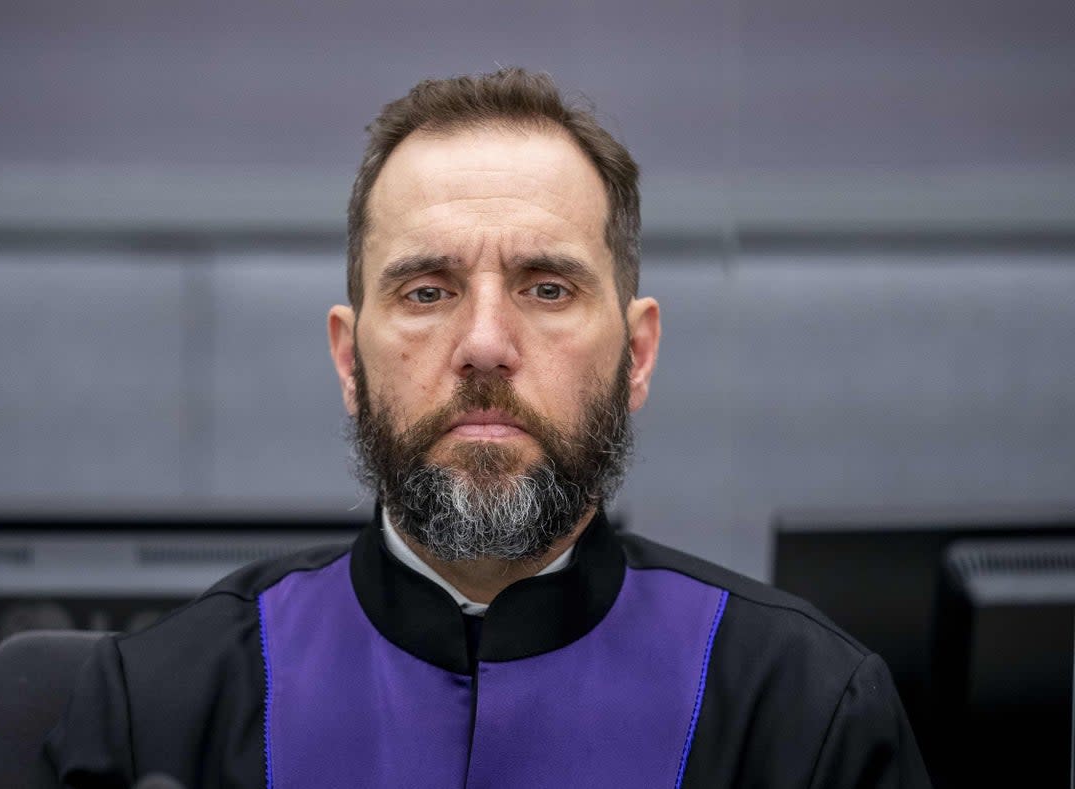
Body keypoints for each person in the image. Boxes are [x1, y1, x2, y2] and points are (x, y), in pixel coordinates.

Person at [46, 68, 931, 788]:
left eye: (547, 288)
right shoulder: (157, 714)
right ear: (350, 360)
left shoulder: (806, 715)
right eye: (426, 291)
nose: (482, 344)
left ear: (640, 353)